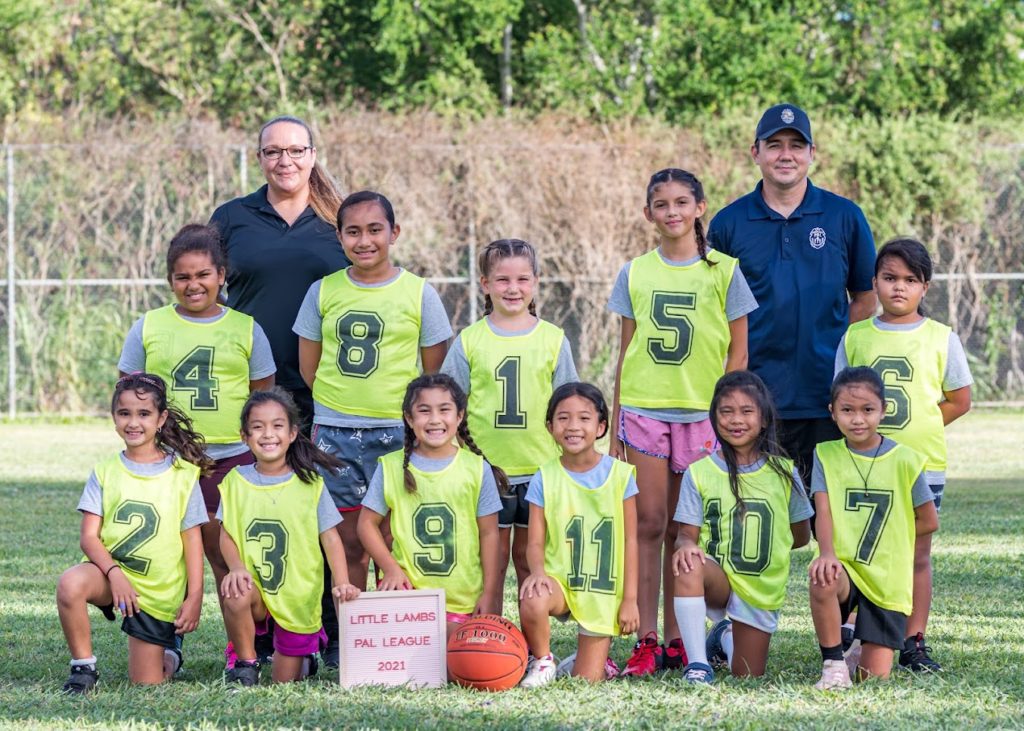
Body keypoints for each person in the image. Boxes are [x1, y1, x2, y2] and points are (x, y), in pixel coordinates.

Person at [293, 190, 452, 666]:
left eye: (374, 230)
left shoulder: (419, 292)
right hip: (337, 432)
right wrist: (342, 406)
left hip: (398, 434)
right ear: (339, 236)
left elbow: (431, 374)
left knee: (403, 538)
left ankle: (410, 638)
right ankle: (353, 638)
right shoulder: (323, 291)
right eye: (353, 231)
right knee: (346, 543)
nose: (365, 240)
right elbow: (309, 367)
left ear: (394, 233)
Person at [607, 168, 756, 675]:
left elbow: (739, 350)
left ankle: (680, 638)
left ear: (699, 207)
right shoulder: (634, 272)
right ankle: (647, 638)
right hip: (646, 410)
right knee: (648, 524)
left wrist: (727, 415)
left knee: (683, 530)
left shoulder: (724, 270)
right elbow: (624, 350)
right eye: (661, 204)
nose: (672, 212)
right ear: (648, 213)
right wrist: (615, 423)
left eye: (681, 202)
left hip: (700, 416)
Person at [117, 223, 276, 669]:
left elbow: (262, 396)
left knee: (229, 556)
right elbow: (129, 394)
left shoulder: (246, 328)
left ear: (222, 274)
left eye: (203, 274)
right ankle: (167, 641)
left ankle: (244, 648)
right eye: (183, 277)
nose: (194, 285)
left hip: (233, 458)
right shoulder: (149, 326)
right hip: (169, 461)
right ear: (170, 280)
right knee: (166, 556)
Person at [707, 104, 877, 489]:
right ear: (756, 153)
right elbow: (715, 310)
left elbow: (865, 298)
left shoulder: (844, 216)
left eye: (797, 146)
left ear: (812, 154)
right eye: (775, 145)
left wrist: (833, 350)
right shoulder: (728, 223)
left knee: (829, 521)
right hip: (756, 400)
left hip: (828, 398)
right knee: (764, 518)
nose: (786, 155)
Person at [836, 238, 973, 672]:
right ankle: (856, 632)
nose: (899, 288)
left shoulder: (940, 337)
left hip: (920, 465)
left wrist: (921, 431)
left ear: (925, 287)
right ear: (874, 282)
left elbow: (959, 399)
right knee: (862, 550)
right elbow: (841, 397)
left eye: (910, 280)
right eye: (890, 278)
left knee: (917, 554)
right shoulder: (857, 336)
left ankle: (914, 640)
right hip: (864, 466)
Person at [441, 238, 578, 606]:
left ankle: (532, 649)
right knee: (492, 562)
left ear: (535, 281)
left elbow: (569, 405)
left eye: (522, 279)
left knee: (529, 561)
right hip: (488, 470)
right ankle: (491, 638)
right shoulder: (470, 341)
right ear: (485, 284)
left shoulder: (553, 339)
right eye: (502, 280)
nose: (513, 288)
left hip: (540, 469)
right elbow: (447, 402)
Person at [56, 373, 211, 693]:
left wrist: (195, 596)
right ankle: (83, 668)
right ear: (113, 418)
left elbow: (193, 540)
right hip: (111, 576)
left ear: (161, 418)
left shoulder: (183, 474)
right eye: (124, 413)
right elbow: (88, 537)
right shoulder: (105, 471)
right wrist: (114, 574)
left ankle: (171, 651)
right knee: (70, 583)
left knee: (147, 682)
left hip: (156, 591)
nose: (133, 422)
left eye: (143, 414)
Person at [670, 371, 812, 684]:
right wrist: (686, 546)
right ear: (714, 417)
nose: (736, 420)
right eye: (726, 411)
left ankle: (723, 637)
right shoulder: (699, 472)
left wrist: (762, 545)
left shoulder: (785, 473)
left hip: (759, 587)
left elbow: (800, 535)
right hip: (716, 577)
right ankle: (697, 664)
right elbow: (685, 536)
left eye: (747, 411)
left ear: (763, 419)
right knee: (689, 563)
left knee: (747, 674)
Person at [209, 115, 349, 430]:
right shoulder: (231, 216)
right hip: (252, 379)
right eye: (273, 152)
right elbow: (205, 288)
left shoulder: (341, 220)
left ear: (312, 156)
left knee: (323, 479)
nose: (285, 161)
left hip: (328, 382)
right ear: (260, 158)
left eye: (296, 151)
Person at [218, 388, 360, 687]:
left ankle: (305, 656)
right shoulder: (235, 481)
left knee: (286, 682)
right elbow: (226, 534)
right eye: (258, 427)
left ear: (293, 433)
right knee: (234, 591)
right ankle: (245, 662)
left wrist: (342, 581)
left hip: (297, 593)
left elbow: (331, 538)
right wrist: (236, 567)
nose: (268, 434)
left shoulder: (310, 483)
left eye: (277, 426)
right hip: (255, 586)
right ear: (244, 436)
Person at [808, 367, 938, 689]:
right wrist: (827, 553)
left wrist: (893, 540)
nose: (857, 419)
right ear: (832, 413)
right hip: (847, 568)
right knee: (823, 577)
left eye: (867, 410)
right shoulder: (825, 455)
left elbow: (929, 520)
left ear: (883, 410)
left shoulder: (906, 460)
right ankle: (834, 664)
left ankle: (856, 650)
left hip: (886, 578)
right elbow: (822, 511)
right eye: (847, 410)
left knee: (872, 679)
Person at [357, 374, 503, 634]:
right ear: (409, 419)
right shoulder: (391, 466)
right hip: (407, 595)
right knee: (416, 665)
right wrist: (390, 569)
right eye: (424, 411)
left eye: (444, 410)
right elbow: (366, 524)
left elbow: (490, 533)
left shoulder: (477, 469)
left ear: (459, 416)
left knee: (456, 668)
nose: (435, 419)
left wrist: (490, 592)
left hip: (462, 597)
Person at [518, 382, 640, 687]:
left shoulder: (620, 475)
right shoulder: (545, 476)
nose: (573, 426)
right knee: (533, 595)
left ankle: (587, 661)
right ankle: (543, 659)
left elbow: (630, 542)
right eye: (563, 418)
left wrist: (630, 600)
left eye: (584, 418)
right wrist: (538, 573)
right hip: (560, 581)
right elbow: (534, 541)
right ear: (549, 426)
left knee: (586, 681)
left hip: (601, 588)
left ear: (600, 427)